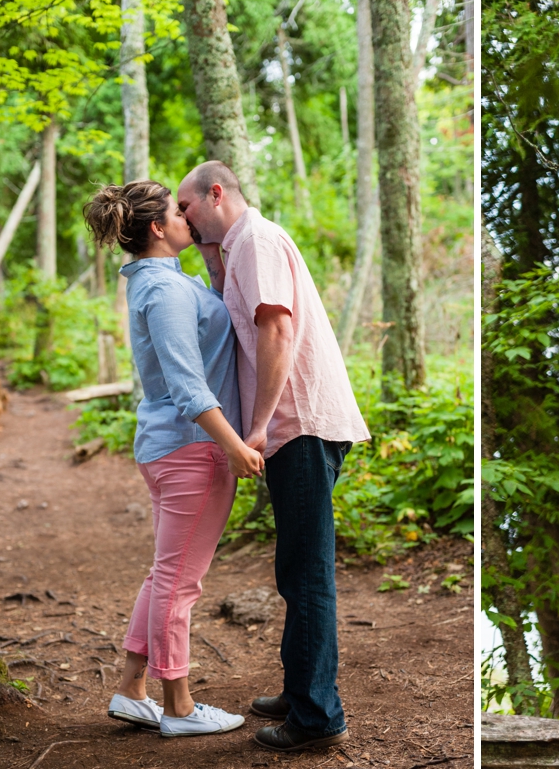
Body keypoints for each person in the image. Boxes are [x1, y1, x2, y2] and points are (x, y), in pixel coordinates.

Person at [173, 161, 369, 753]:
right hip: (293, 427)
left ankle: (316, 716)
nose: (181, 220)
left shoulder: (255, 240)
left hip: (299, 425)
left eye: (187, 208)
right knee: (295, 569)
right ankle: (300, 688)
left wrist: (256, 427)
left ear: (216, 193)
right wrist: (212, 258)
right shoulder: (236, 250)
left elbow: (276, 330)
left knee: (307, 573)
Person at [85, 178, 263, 736]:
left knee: (167, 573)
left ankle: (132, 689)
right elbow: (188, 386)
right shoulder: (162, 292)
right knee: (180, 582)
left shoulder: (166, 281)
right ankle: (179, 707)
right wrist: (234, 447)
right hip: (193, 449)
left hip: (176, 447)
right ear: (158, 229)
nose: (188, 217)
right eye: (177, 213)